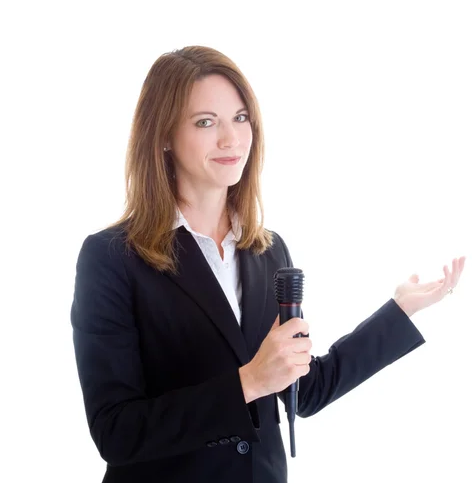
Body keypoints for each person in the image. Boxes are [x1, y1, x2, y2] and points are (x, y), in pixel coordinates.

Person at [70, 45, 465, 483]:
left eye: (240, 118)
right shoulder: (112, 258)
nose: (231, 139)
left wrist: (401, 310)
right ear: (162, 136)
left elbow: (306, 389)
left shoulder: (267, 250)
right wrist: (248, 383)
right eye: (206, 122)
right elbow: (116, 432)